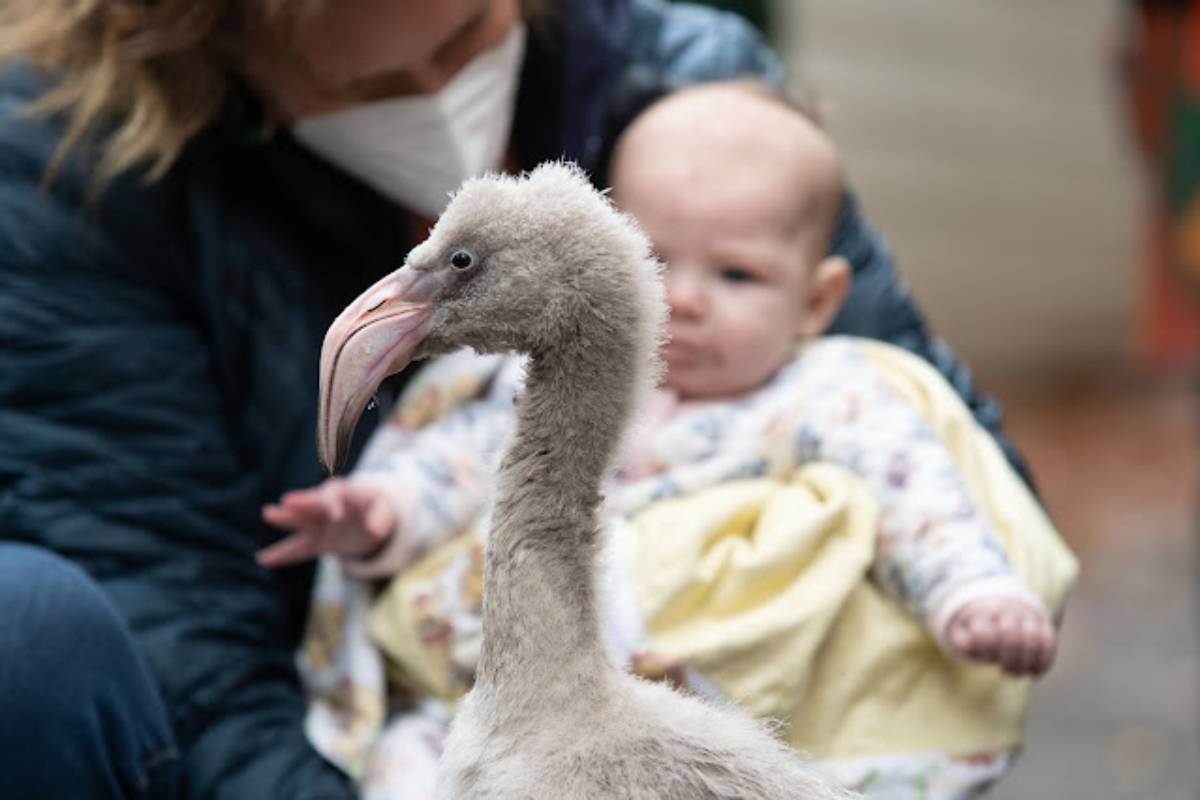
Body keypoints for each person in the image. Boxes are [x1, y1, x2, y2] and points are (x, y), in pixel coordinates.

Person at [0, 1, 1034, 797]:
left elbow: (950, 461)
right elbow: (178, 619)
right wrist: (388, 516)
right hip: (386, 711)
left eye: (464, 37)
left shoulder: (706, 111)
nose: (442, 93)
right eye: (376, 81)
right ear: (221, 46)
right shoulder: (78, 180)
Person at [262, 82, 1077, 799]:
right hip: (533, 694)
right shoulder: (511, 397)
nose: (682, 300)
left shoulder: (832, 394)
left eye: (736, 275)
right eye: (658, 259)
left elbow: (923, 491)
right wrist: (383, 508)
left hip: (744, 706)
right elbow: (454, 461)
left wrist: (974, 593)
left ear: (819, 298)